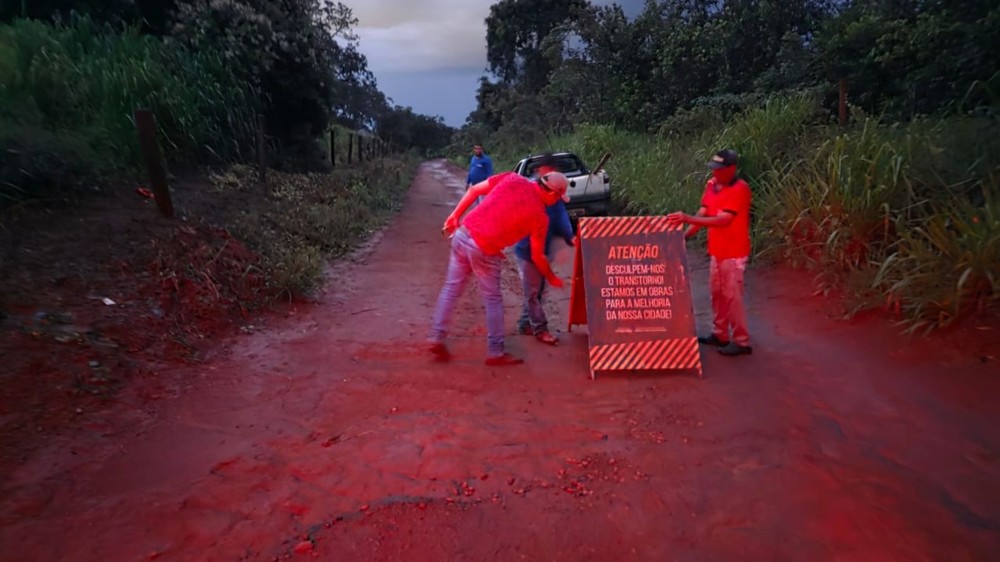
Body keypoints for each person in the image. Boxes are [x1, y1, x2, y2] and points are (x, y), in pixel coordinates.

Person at [429, 170, 571, 365]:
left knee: (451, 289)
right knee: (493, 299)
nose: (557, 202)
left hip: (463, 234)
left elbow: (475, 190)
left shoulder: (512, 178)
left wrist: (454, 216)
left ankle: (436, 337)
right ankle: (495, 351)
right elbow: (537, 256)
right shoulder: (539, 218)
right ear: (553, 194)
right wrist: (551, 277)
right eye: (559, 198)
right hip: (484, 248)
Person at [666, 149, 753, 356]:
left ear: (732, 169)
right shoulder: (712, 186)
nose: (715, 173)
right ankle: (720, 334)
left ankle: (741, 341)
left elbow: (724, 220)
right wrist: (685, 235)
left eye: (720, 170)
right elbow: (704, 211)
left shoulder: (740, 189)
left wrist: (687, 219)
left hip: (734, 253)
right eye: (713, 169)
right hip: (717, 250)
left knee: (732, 297)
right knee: (717, 294)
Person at [513, 158, 575, 345]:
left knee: (537, 290)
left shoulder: (553, 198)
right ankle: (539, 328)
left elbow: (561, 216)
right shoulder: (531, 199)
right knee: (533, 292)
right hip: (528, 250)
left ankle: (526, 323)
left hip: (541, 247)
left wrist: (569, 235)